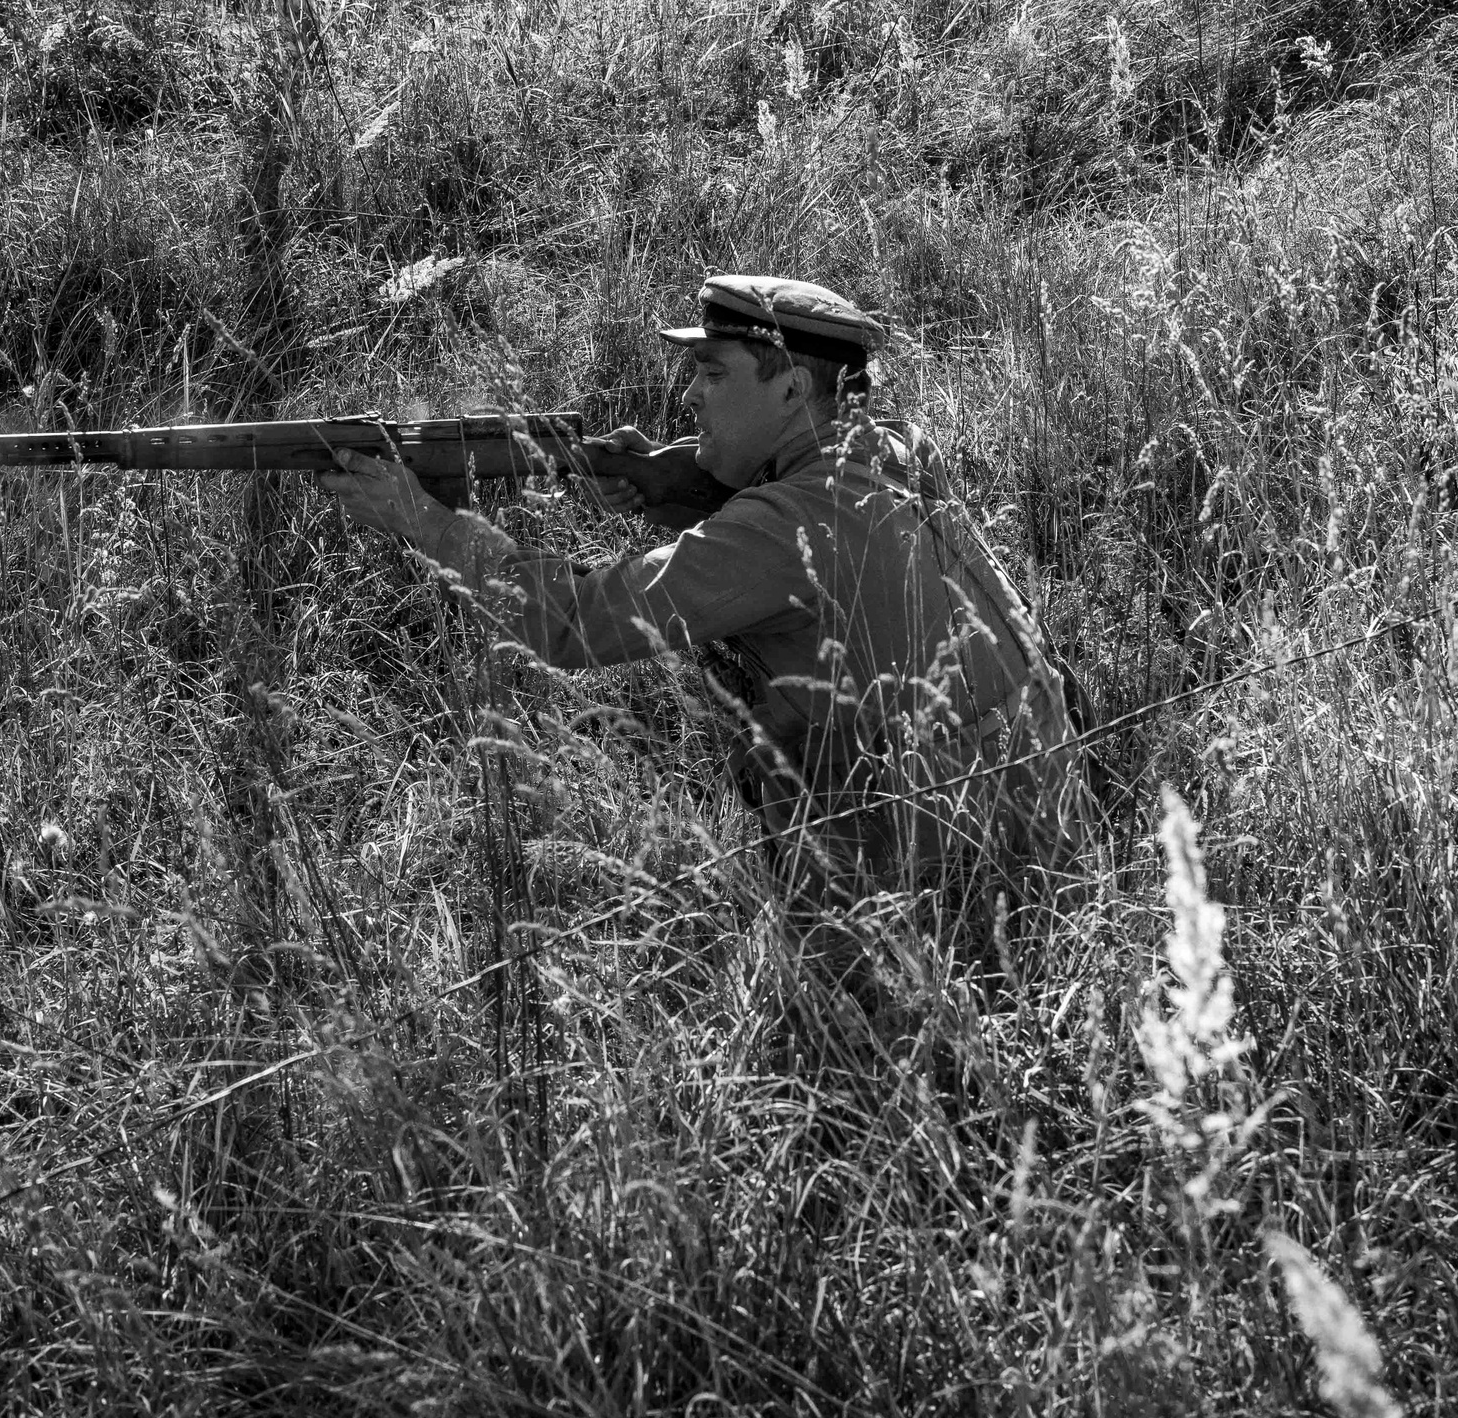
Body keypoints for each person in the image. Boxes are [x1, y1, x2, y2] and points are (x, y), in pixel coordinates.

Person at [317, 273, 1092, 992]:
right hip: (1037, 803)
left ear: (791, 386)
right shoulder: (890, 445)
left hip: (956, 864)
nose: (690, 395)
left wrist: (423, 523)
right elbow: (800, 513)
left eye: (715, 373)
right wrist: (672, 483)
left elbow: (573, 626)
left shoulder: (789, 523)